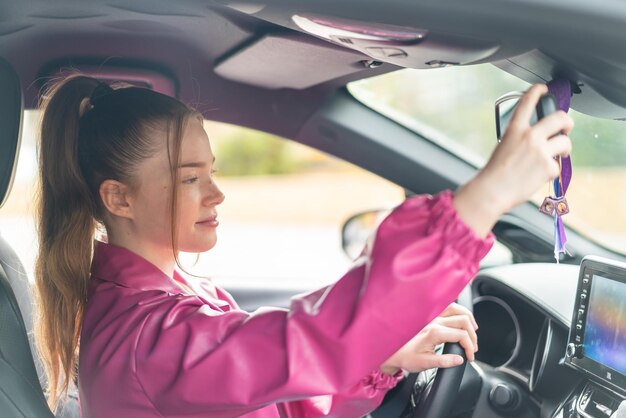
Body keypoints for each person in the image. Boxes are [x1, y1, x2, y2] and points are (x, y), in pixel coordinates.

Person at [34, 75, 573, 418]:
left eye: (212, 171)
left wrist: (378, 357)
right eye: (189, 178)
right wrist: (486, 198)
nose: (217, 192)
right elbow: (304, 341)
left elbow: (274, 398)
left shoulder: (170, 300)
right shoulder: (150, 341)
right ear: (119, 198)